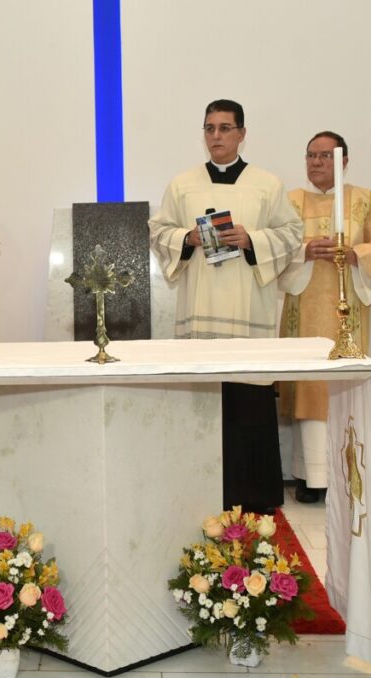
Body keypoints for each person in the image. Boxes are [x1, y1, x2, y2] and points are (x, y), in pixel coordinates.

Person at [148, 99, 302, 513]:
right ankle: (199, 490)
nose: (216, 136)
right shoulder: (183, 184)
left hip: (248, 310)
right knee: (203, 403)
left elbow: (292, 233)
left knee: (248, 401)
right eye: (209, 128)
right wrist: (186, 239)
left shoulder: (267, 185)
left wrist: (253, 240)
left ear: (241, 134)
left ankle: (254, 496)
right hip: (199, 308)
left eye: (225, 128)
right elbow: (158, 230)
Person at [278, 132, 371, 503]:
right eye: (311, 155)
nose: (316, 162)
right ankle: (310, 476)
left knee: (345, 392)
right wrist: (304, 252)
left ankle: (351, 475)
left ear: (343, 160)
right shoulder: (290, 202)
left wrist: (357, 254)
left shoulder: (366, 201)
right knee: (309, 390)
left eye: (325, 156)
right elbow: (276, 251)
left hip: (352, 316)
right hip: (305, 314)